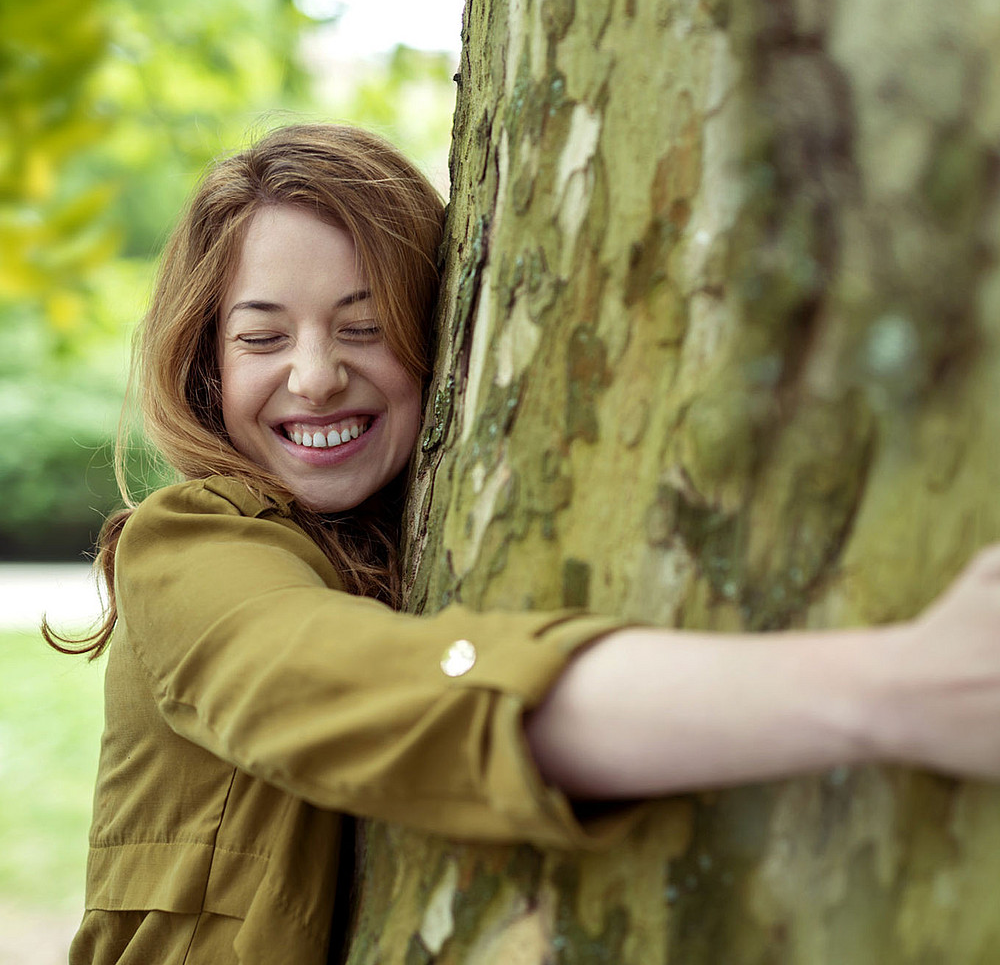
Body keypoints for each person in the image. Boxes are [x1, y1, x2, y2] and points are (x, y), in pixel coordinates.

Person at [46, 123, 1000, 964]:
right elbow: (364, 684)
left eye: (366, 324)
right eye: (261, 339)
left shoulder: (440, 531)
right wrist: (896, 689)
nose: (318, 374)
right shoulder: (189, 546)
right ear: (207, 367)